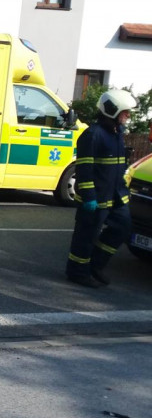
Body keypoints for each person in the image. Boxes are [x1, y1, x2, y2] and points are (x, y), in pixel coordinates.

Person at [65, 88, 138, 288]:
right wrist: (89, 196)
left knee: (122, 228)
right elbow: (84, 170)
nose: (128, 116)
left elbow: (117, 169)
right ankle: (77, 272)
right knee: (85, 237)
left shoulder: (116, 134)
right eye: (125, 112)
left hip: (115, 197)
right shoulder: (92, 135)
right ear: (113, 111)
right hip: (95, 199)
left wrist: (124, 192)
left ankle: (95, 265)